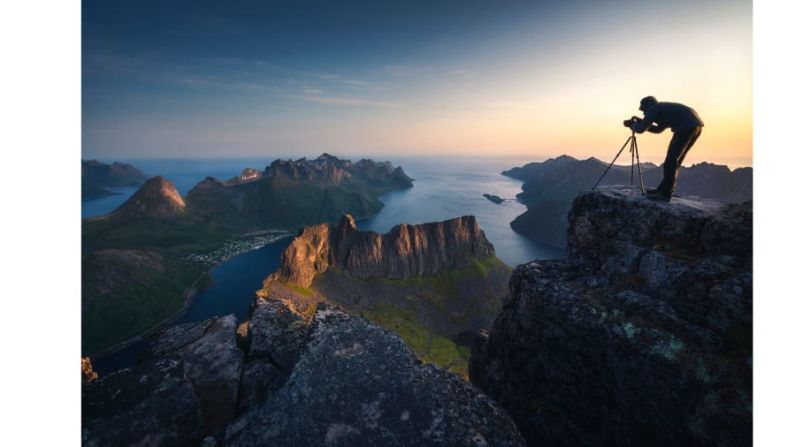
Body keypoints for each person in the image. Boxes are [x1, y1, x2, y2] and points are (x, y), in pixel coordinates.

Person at [630, 96, 704, 201]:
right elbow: (658, 129)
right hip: (695, 126)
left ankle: (665, 194)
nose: (643, 113)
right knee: (675, 160)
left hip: (685, 127)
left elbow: (641, 129)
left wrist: (633, 126)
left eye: (643, 110)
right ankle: (662, 190)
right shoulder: (661, 108)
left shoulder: (653, 109)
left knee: (671, 160)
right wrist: (642, 121)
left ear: (647, 106)